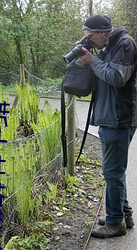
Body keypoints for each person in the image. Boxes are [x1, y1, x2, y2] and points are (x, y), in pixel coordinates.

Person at [79, 15, 137, 238]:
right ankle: (124, 214)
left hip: (119, 118)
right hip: (109, 117)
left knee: (112, 171)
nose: (90, 41)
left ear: (103, 32)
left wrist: (92, 61)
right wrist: (89, 60)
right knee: (114, 171)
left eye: (91, 37)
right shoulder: (108, 46)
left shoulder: (125, 44)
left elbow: (116, 77)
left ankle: (115, 223)